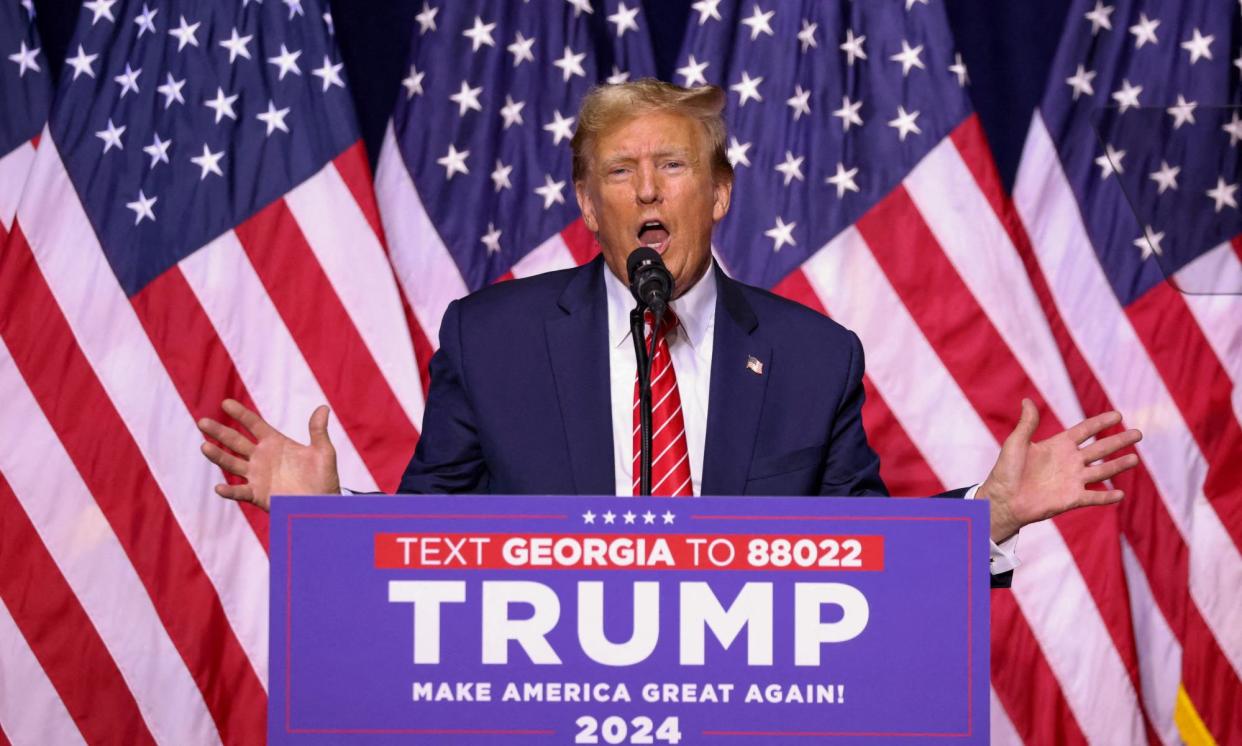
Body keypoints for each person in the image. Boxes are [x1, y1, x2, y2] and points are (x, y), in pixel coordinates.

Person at [197, 80, 1141, 574]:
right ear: (586, 203)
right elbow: (430, 557)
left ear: (722, 190)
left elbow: (868, 564)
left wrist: (991, 515)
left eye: (674, 166)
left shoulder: (813, 359)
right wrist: (327, 525)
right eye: (618, 171)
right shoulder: (492, 341)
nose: (647, 189)